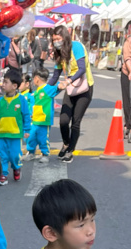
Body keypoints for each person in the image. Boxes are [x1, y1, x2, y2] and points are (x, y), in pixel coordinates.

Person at [49, 25, 94, 163]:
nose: (56, 42)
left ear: (65, 37)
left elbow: (81, 69)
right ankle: (66, 143)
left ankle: (70, 151)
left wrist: (68, 81)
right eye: (54, 39)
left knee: (75, 121)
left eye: (58, 38)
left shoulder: (76, 47)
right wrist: (43, 91)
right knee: (63, 120)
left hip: (84, 89)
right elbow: (55, 76)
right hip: (71, 89)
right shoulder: (59, 53)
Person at [0, 69, 31, 185]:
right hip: (2, 134)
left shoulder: (21, 100)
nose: (3, 84)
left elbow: (26, 115)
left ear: (14, 86)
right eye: (3, 82)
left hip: (15, 135)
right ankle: (3, 174)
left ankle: (16, 167)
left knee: (14, 155)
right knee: (2, 156)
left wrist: (27, 129)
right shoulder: (0, 101)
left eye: (5, 82)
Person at [27, 67, 59, 162]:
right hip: (35, 120)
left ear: (36, 78)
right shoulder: (37, 91)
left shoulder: (47, 88)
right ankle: (31, 153)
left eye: (33, 79)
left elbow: (57, 88)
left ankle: (45, 154)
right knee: (31, 137)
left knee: (43, 138)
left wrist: (61, 85)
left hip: (44, 120)